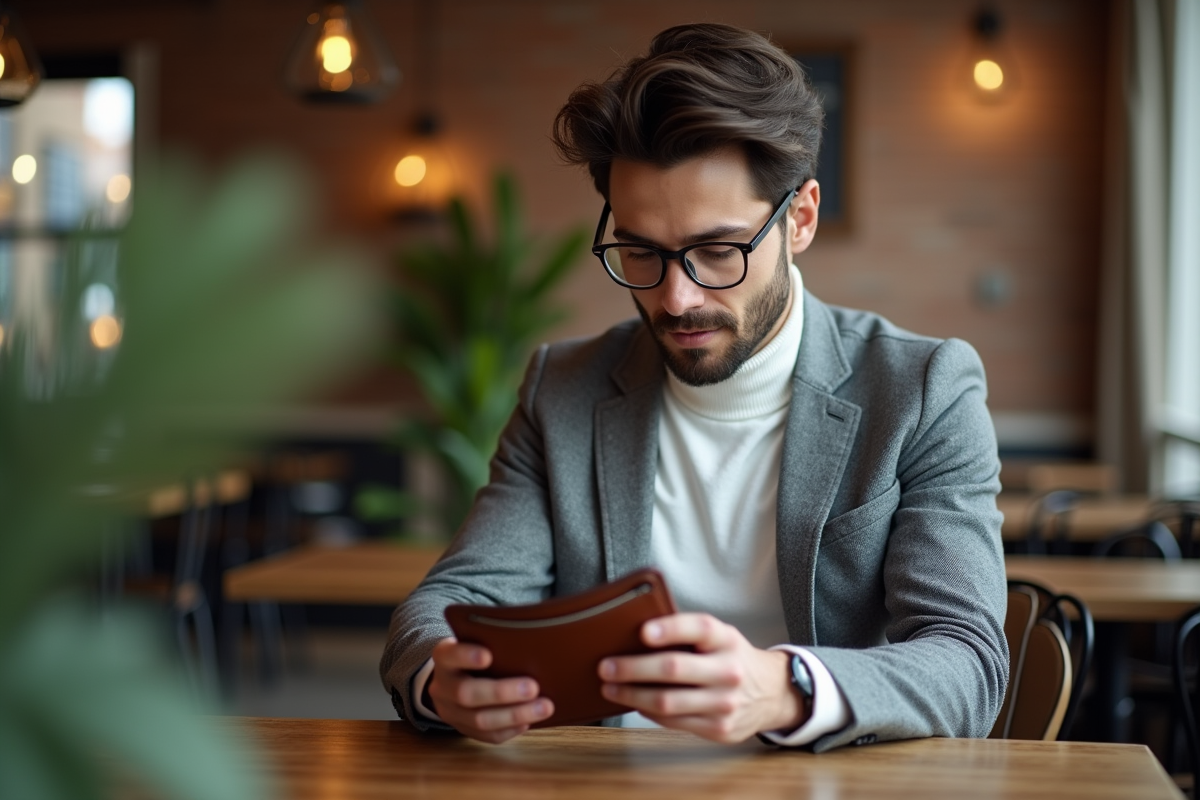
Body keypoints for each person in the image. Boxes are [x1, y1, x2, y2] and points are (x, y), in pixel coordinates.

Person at [380, 22, 1007, 753]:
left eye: (716, 251)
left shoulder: (922, 388)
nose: (676, 298)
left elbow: (967, 663)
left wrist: (785, 689)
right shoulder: (564, 390)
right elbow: (448, 603)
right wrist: (442, 677)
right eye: (640, 252)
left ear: (800, 219)